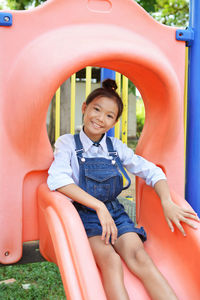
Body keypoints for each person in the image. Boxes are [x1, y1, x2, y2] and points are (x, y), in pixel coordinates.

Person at [47, 79, 199, 300]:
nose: (100, 118)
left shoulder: (115, 148)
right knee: (111, 261)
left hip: (115, 214)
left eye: (109, 115)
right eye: (96, 109)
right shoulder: (67, 144)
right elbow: (57, 179)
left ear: (115, 122)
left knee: (139, 257)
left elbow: (152, 171)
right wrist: (98, 206)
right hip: (86, 215)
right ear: (84, 108)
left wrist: (166, 200)